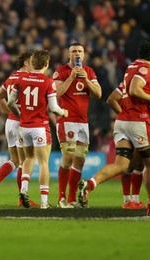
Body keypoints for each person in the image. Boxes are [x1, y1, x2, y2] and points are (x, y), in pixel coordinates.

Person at [78, 41, 150, 216]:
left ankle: (90, 184)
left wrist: (148, 99)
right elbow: (135, 90)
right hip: (139, 121)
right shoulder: (146, 69)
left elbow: (113, 98)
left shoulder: (130, 69)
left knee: (121, 164)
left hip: (122, 122)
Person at [7, 49, 68, 209]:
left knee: (28, 159)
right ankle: (43, 202)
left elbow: (10, 102)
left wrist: (20, 115)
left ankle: (24, 190)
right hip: (40, 127)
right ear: (46, 64)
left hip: (23, 127)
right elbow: (54, 108)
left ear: (32, 62)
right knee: (43, 163)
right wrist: (64, 112)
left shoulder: (20, 78)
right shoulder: (48, 82)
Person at [0, 51, 39, 207]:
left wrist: (8, 112)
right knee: (25, 161)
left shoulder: (12, 77)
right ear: (26, 63)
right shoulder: (26, 78)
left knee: (15, 160)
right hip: (21, 122)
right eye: (33, 61)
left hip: (10, 123)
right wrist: (17, 113)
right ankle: (22, 198)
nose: (35, 64)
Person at [53, 42, 102, 208]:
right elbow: (56, 93)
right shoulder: (61, 71)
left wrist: (86, 79)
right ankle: (61, 198)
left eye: (80, 51)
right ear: (69, 55)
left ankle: (72, 198)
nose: (77, 54)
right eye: (74, 51)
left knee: (80, 160)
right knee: (68, 157)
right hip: (67, 120)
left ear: (84, 54)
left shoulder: (89, 71)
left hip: (83, 122)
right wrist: (71, 77)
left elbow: (99, 93)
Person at [106, 83, 145, 210]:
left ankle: (135, 199)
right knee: (127, 164)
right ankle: (127, 200)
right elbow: (111, 99)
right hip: (128, 127)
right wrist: (124, 115)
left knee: (139, 164)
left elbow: (148, 109)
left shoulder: (145, 87)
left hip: (140, 126)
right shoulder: (126, 85)